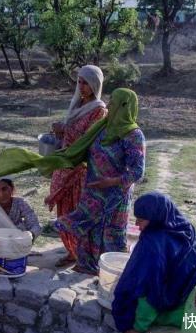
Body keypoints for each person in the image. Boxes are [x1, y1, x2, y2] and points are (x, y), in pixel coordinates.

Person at [53, 88, 146, 275]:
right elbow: (82, 148)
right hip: (93, 191)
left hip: (116, 196)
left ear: (125, 106)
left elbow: (137, 172)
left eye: (114, 102)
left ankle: (109, 274)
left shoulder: (133, 135)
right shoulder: (102, 127)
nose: (109, 105)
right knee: (87, 230)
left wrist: (110, 182)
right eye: (110, 100)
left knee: (111, 234)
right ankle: (85, 266)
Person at [111, 192, 196, 333]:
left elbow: (150, 289)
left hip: (182, 308)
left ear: (155, 218)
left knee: (138, 284)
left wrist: (136, 328)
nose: (136, 224)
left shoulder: (152, 244)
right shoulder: (184, 228)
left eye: (141, 220)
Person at [45, 65, 107, 267]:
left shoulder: (99, 110)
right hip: (64, 163)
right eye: (79, 82)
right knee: (63, 210)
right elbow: (70, 134)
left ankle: (81, 254)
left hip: (80, 168)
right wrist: (60, 132)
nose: (81, 86)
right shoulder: (77, 104)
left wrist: (66, 130)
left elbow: (89, 139)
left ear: (95, 84)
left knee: (76, 211)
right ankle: (70, 250)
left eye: (85, 83)